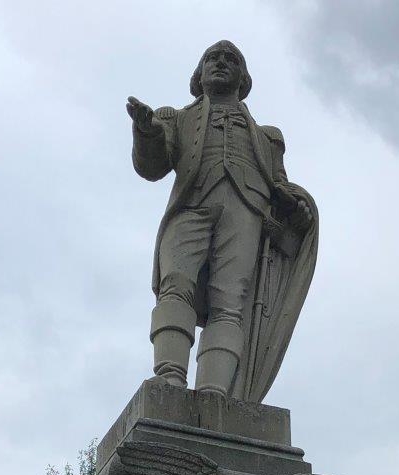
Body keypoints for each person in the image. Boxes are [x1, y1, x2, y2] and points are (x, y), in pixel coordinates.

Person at [127, 40, 317, 400]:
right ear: (198, 74)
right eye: (212, 58)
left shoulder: (267, 138)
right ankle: (169, 377)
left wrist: (297, 210)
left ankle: (216, 392)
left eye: (231, 59)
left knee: (230, 302)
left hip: (245, 212)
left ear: (243, 77)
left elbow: (280, 189)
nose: (221, 63)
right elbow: (152, 168)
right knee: (176, 283)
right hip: (191, 206)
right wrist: (147, 132)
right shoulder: (175, 119)